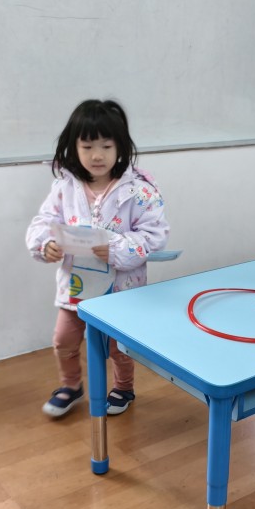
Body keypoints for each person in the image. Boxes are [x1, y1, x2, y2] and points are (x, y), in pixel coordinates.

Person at [26, 99, 168, 418]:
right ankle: (71, 385)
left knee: (119, 347)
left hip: (121, 290)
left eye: (106, 145)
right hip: (76, 288)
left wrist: (117, 248)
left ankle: (124, 388)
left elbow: (155, 235)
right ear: (73, 147)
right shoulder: (65, 187)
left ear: (121, 146)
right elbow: (44, 221)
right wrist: (46, 244)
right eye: (87, 146)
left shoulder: (139, 190)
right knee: (64, 340)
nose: (97, 155)